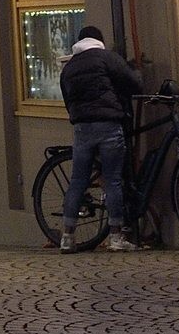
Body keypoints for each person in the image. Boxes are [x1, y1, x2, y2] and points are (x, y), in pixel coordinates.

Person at [59, 22, 141, 253]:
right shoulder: (107, 58)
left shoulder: (70, 67)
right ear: (98, 41)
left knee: (78, 181)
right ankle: (115, 237)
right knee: (113, 179)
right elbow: (132, 83)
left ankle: (67, 236)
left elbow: (68, 100)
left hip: (83, 128)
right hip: (108, 125)